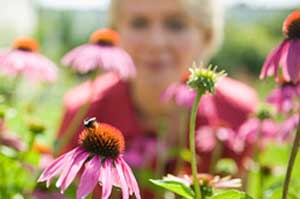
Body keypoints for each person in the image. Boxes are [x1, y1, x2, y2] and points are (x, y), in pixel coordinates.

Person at [55, 0, 258, 198]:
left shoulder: (240, 113)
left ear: (207, 36)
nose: (156, 42)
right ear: (116, 33)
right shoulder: (82, 112)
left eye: (175, 25)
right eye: (139, 23)